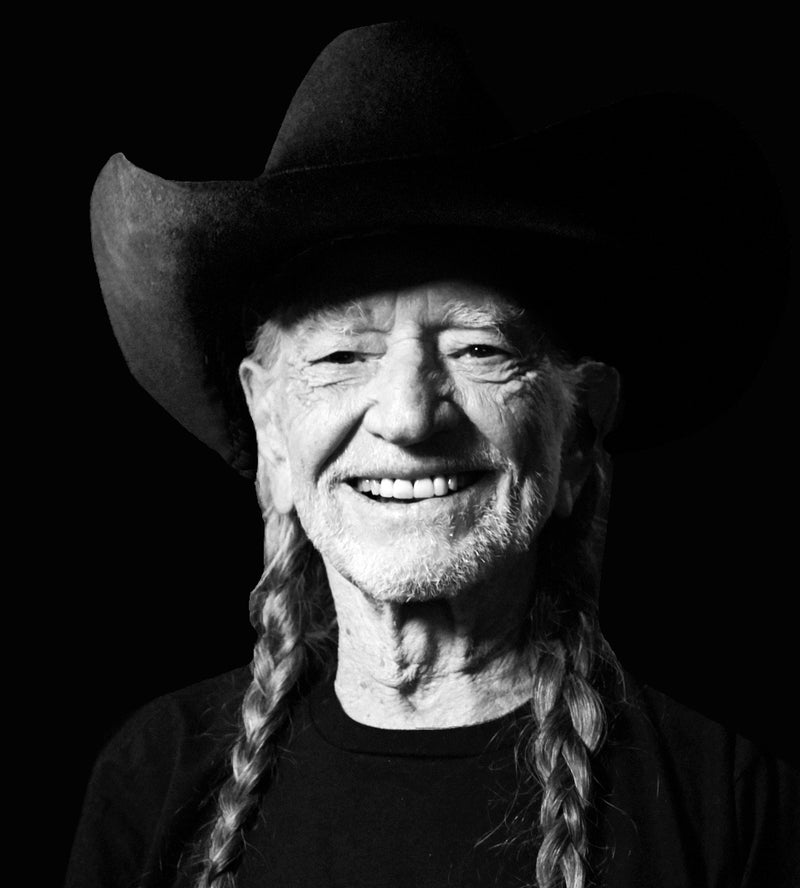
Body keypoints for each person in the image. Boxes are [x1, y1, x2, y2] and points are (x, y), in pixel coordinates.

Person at [66, 21, 797, 888]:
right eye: (342, 357)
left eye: (479, 349)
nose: (410, 418)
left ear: (576, 434)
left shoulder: (732, 805)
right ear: (269, 430)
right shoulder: (153, 782)